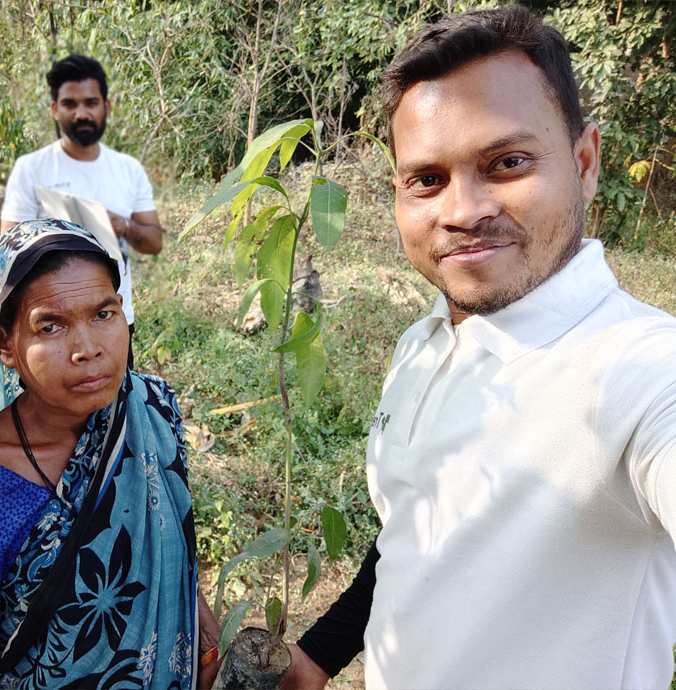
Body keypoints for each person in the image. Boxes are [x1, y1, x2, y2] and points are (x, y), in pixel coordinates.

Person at [285, 5, 676, 689]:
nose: (463, 211)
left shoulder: (638, 370)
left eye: (507, 163)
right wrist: (317, 657)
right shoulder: (423, 341)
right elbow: (411, 532)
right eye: (427, 179)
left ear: (585, 164)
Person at [0, 220, 220, 689]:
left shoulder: (152, 408)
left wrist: (195, 611)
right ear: (4, 346)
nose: (89, 349)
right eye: (50, 325)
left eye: (103, 314)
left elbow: (168, 527)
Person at [0, 55, 163, 361]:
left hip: (113, 317)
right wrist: (58, 232)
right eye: (70, 104)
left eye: (91, 102)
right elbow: (8, 249)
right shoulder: (32, 169)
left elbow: (154, 242)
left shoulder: (127, 170)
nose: (81, 113)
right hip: (52, 328)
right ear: (54, 110)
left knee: (114, 403)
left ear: (106, 107)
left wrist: (124, 227)